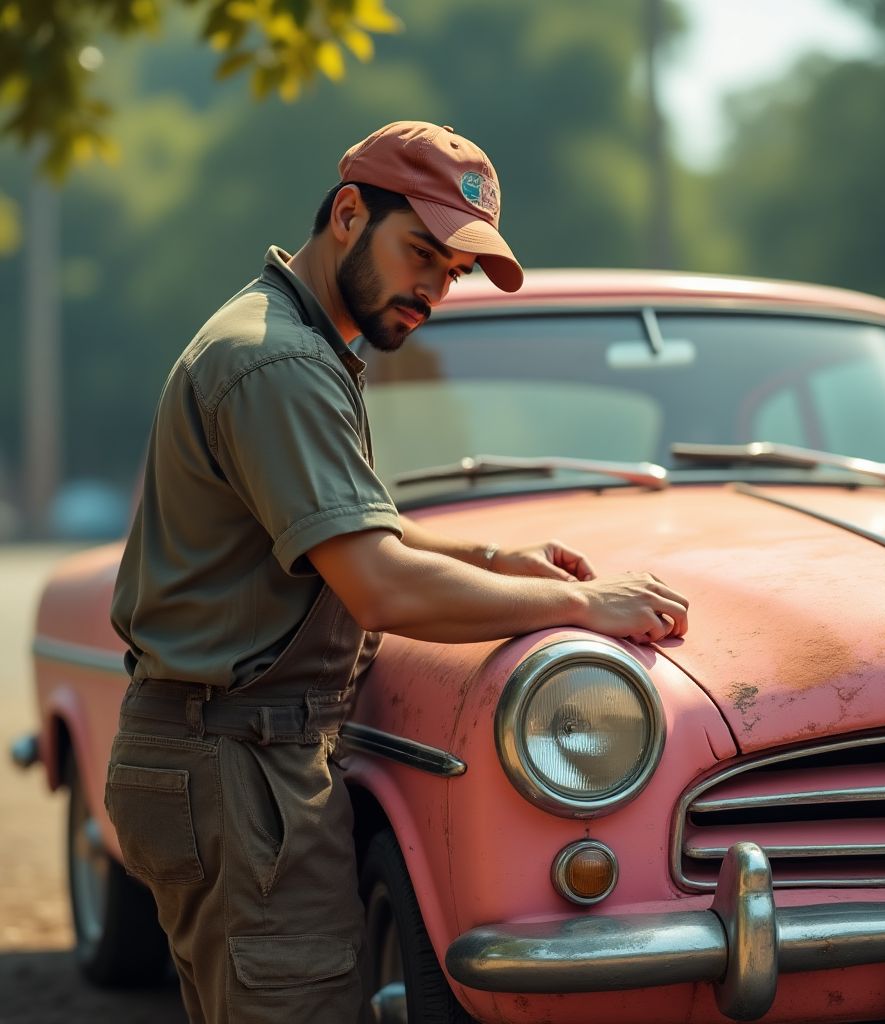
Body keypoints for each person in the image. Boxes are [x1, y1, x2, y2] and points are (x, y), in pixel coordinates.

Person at [105, 120, 690, 1023]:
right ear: (348, 214)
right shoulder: (280, 362)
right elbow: (378, 584)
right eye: (420, 253)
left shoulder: (285, 338)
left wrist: (488, 556)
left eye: (452, 273)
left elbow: (349, 530)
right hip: (239, 762)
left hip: (226, 750)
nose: (432, 290)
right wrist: (581, 605)